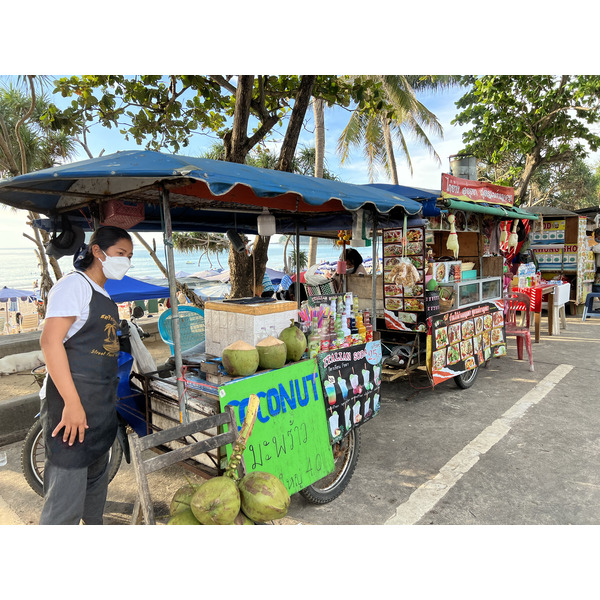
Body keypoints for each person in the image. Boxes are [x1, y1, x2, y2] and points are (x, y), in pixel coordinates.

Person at [39, 226, 134, 525]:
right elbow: (50, 342)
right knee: (64, 507)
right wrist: (72, 403)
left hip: (99, 410)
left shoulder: (104, 296)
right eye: (121, 254)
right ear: (97, 251)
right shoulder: (74, 286)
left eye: (129, 256)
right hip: (72, 411)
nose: (126, 261)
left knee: (95, 495)